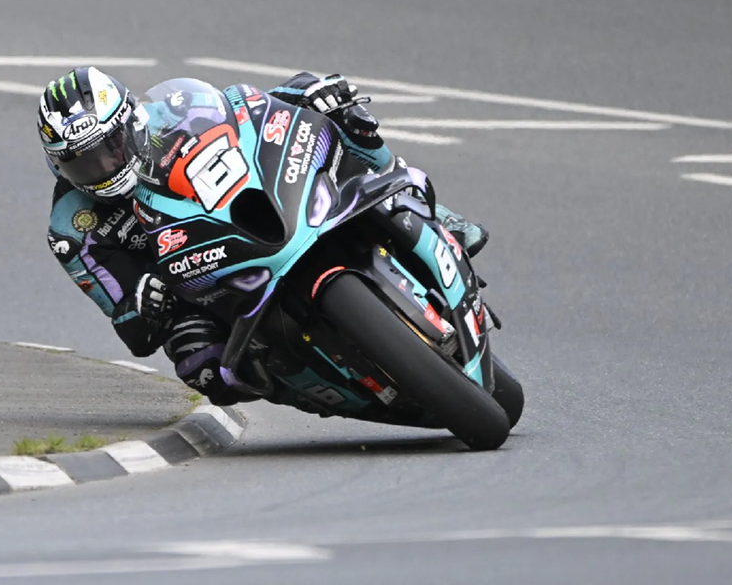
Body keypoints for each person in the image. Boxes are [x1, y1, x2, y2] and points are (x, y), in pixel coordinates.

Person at [38, 66, 486, 406]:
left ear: (132, 122)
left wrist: (308, 91)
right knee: (203, 368)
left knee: (343, 116)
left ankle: (435, 215)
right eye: (84, 163)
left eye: (110, 149)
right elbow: (129, 328)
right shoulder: (71, 228)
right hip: (197, 285)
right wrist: (143, 303)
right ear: (58, 166)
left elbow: (246, 105)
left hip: (256, 211)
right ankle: (313, 387)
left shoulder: (170, 109)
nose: (104, 168)